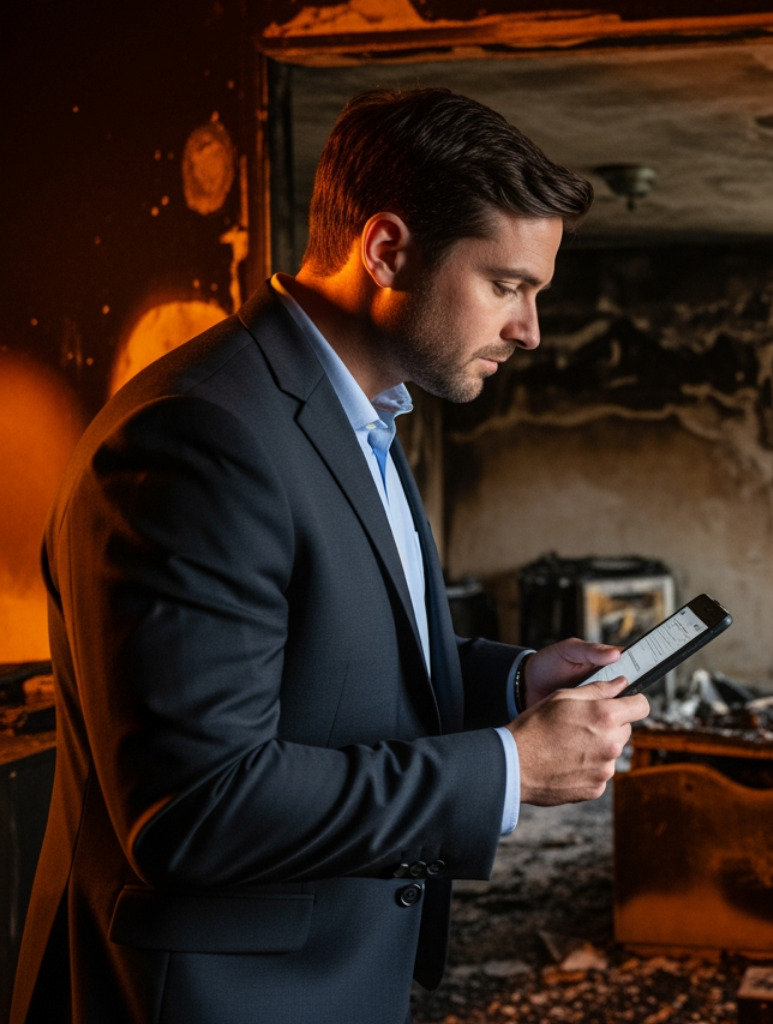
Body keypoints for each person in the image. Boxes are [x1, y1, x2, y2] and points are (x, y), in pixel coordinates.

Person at [10, 88, 650, 1024]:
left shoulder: (362, 416)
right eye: (508, 286)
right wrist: (507, 769)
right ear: (386, 251)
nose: (529, 330)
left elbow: (329, 659)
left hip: (326, 973)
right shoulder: (198, 435)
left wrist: (512, 684)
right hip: (220, 997)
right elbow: (198, 805)